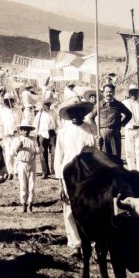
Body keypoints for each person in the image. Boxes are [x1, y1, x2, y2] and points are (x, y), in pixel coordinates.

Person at [54, 96, 97, 254]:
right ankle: (75, 243)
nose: (75, 115)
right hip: (69, 174)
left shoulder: (91, 129)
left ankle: (93, 243)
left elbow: (96, 152)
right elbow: (58, 157)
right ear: (68, 114)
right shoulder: (63, 132)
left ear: (82, 113)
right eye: (72, 112)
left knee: (90, 208)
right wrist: (60, 183)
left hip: (88, 173)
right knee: (70, 208)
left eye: (78, 111)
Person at [96, 83, 131, 160]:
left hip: (115, 134)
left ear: (114, 93)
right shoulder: (99, 105)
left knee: (116, 157)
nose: (109, 94)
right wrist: (96, 131)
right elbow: (91, 117)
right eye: (107, 92)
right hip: (102, 134)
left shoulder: (118, 104)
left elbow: (129, 114)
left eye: (111, 92)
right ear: (103, 93)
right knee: (104, 157)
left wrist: (121, 124)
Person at [121, 84, 139, 173]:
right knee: (129, 152)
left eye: (135, 92)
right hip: (129, 129)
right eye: (132, 92)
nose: (133, 94)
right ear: (129, 93)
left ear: (138, 93)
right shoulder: (124, 103)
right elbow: (121, 115)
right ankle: (132, 171)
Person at [13, 123, 39, 213]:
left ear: (30, 130)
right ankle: (23, 204)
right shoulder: (17, 139)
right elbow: (12, 153)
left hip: (31, 163)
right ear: (20, 130)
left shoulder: (34, 139)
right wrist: (18, 147)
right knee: (23, 185)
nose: (26, 131)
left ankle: (30, 205)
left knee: (31, 185)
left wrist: (39, 144)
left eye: (28, 129)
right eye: (24, 129)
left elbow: (39, 151)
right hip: (21, 164)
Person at [34, 100, 58, 178]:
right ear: (42, 105)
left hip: (52, 133)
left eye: (48, 104)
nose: (47, 106)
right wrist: (36, 135)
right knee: (43, 153)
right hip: (42, 134)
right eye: (45, 104)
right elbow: (35, 125)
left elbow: (57, 123)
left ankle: (54, 170)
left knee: (54, 152)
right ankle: (45, 172)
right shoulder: (39, 114)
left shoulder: (53, 113)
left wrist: (57, 131)